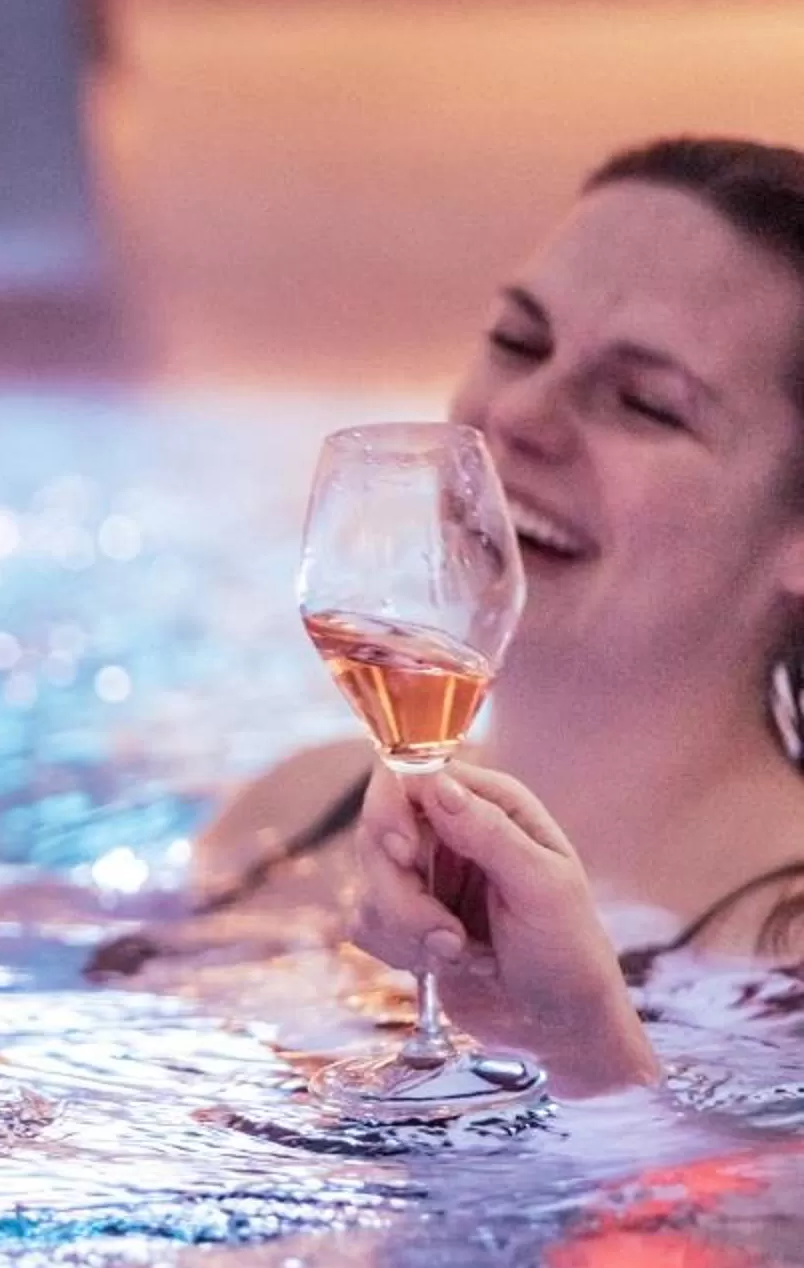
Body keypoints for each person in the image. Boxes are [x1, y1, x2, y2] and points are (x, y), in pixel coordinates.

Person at [192, 138, 804, 1097]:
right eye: (519, 341)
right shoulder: (293, 823)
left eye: (644, 403)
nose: (518, 413)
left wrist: (584, 1050)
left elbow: (750, 1247)